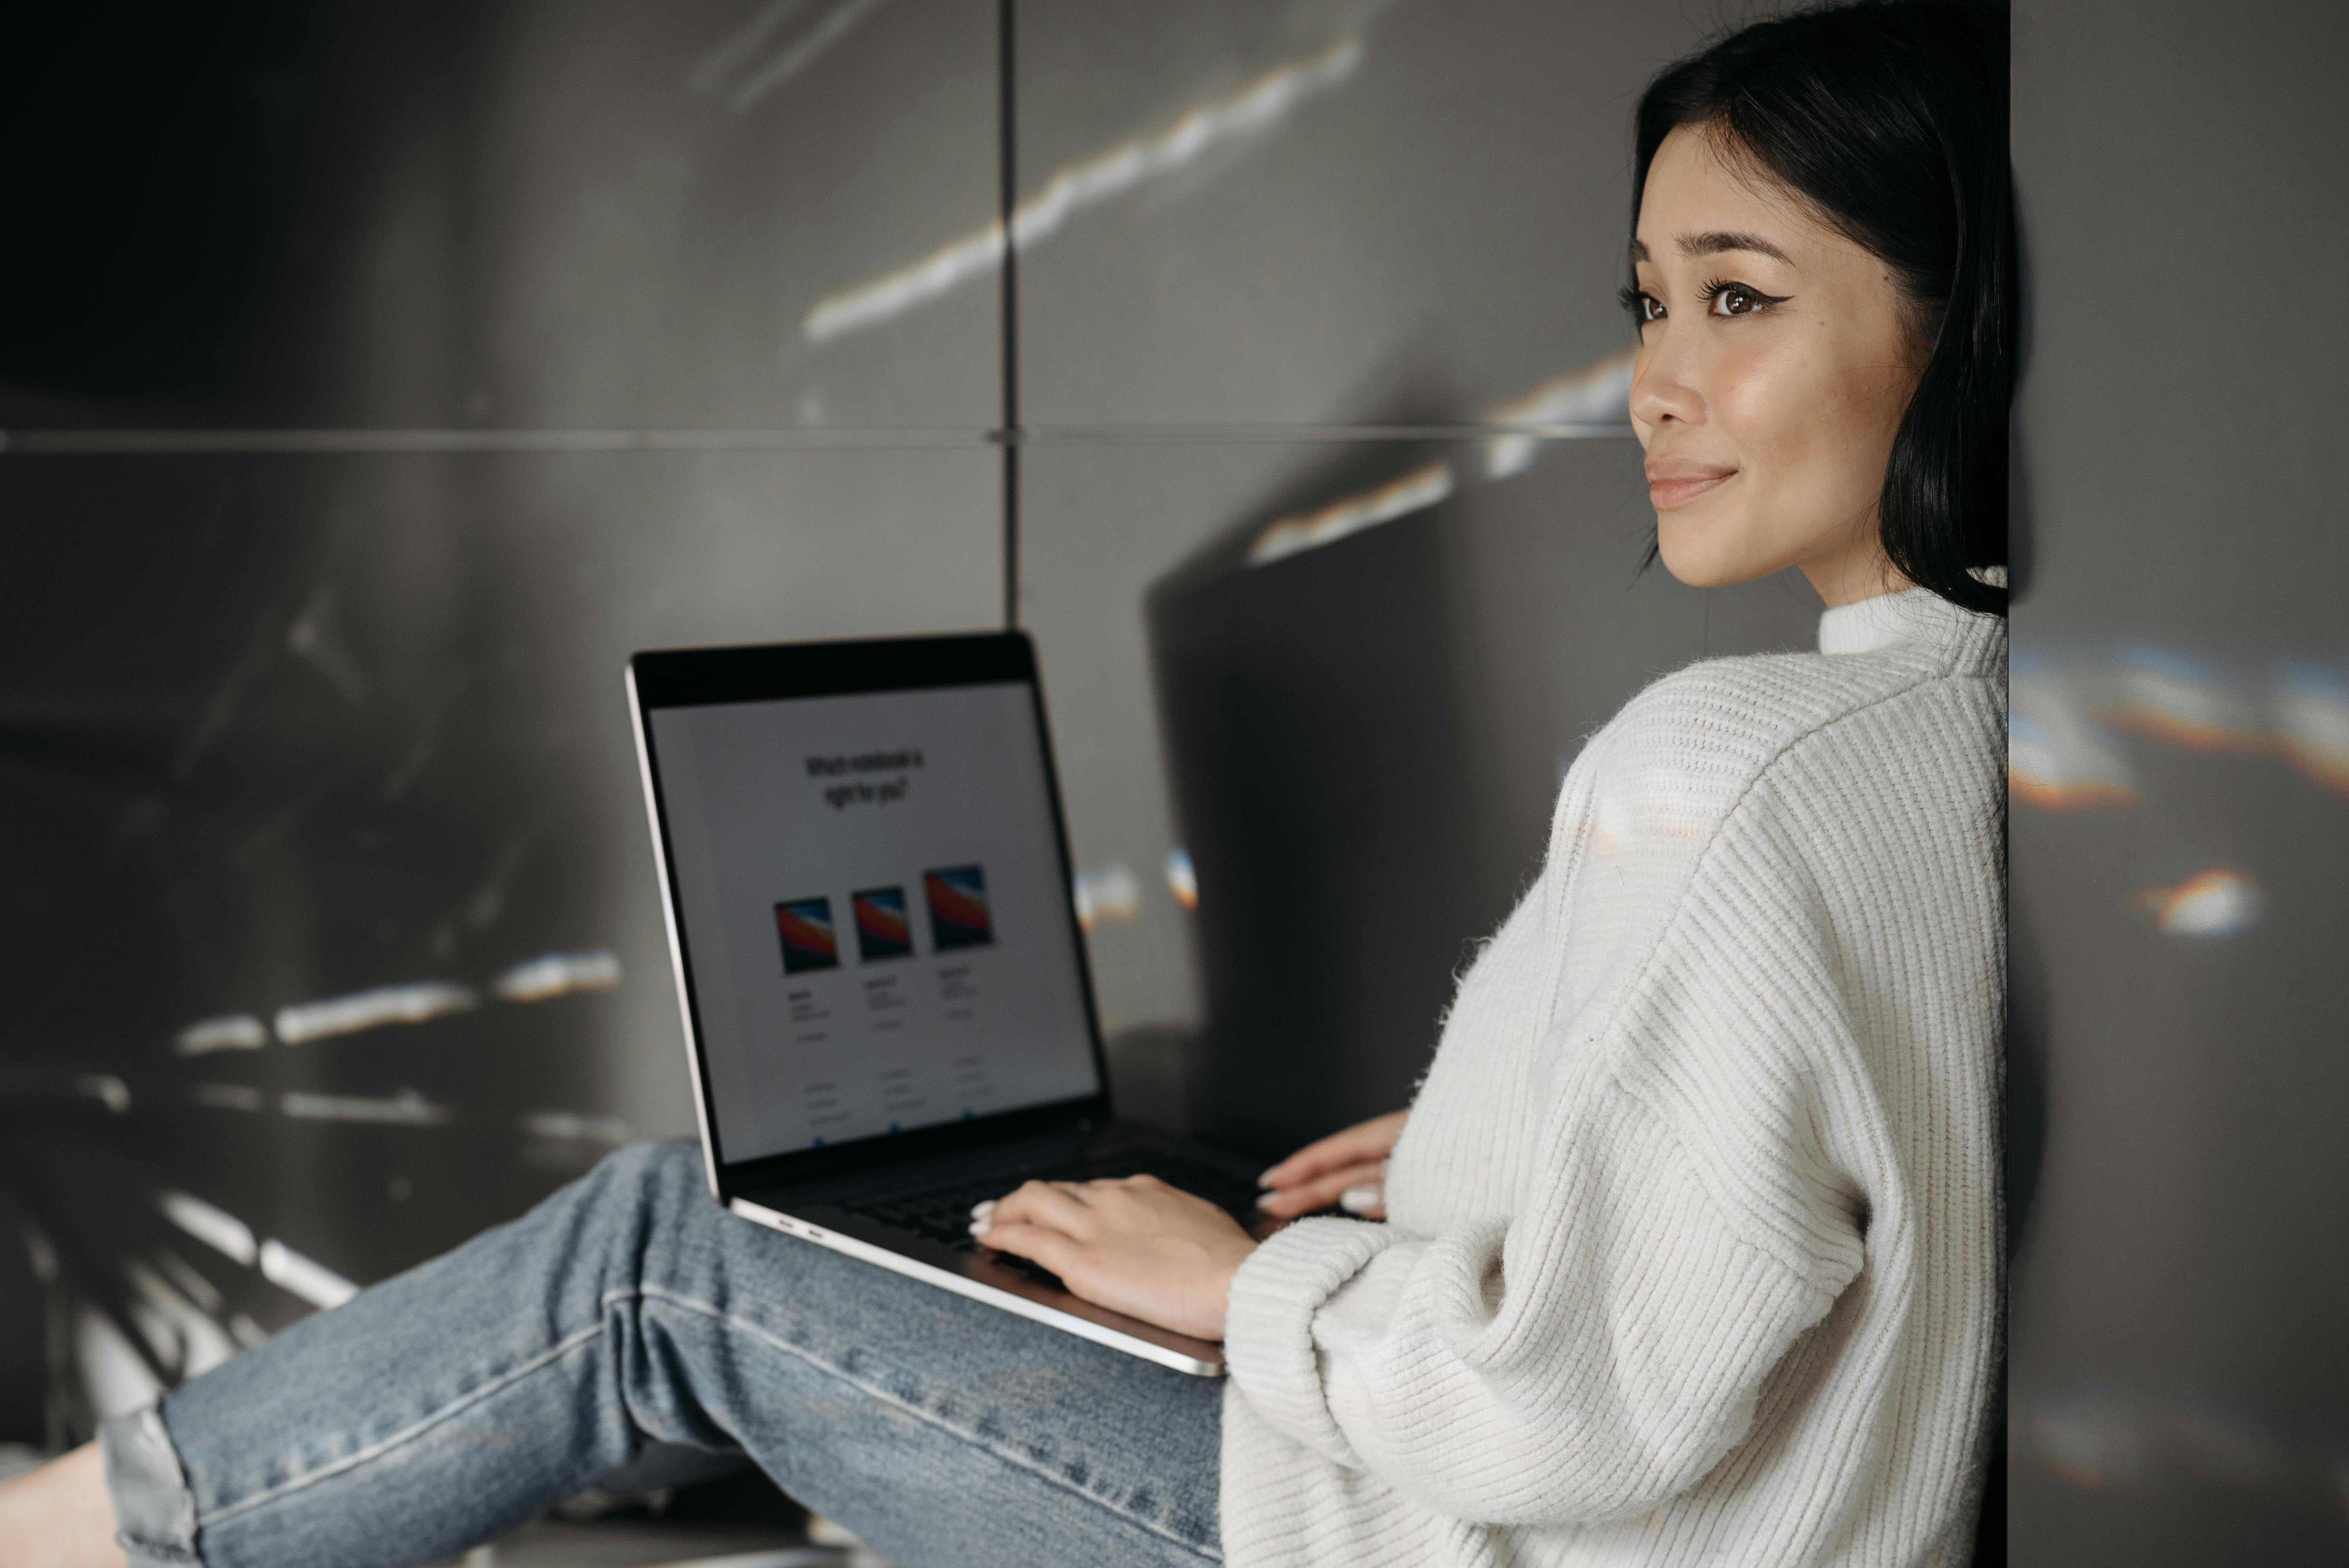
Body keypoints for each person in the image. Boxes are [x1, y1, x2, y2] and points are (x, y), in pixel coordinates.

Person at [0, 2, 2009, 1563]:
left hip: (1406, 1528)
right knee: (944, 1204)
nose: (1657, 378)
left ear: (1945, 325)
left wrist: (1251, 1286)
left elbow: (1576, 1408)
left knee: (662, 1255)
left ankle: (71, 1532)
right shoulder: (1935, 727)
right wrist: (1511, 1143)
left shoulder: (1727, 768)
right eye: (1649, 301)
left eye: (1740, 297)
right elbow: (1751, 1230)